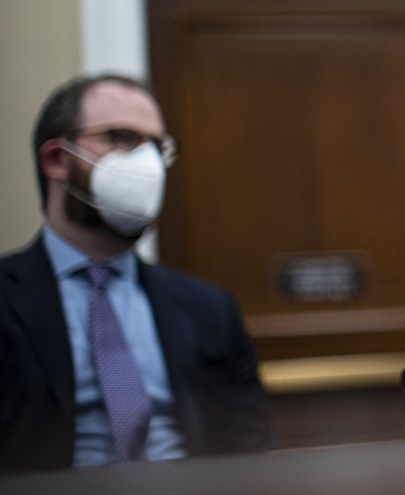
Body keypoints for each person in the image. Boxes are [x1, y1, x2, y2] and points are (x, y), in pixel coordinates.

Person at [0, 74, 272, 473]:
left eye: (156, 146)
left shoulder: (209, 308)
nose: (147, 163)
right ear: (56, 159)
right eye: (122, 138)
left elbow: (251, 446)